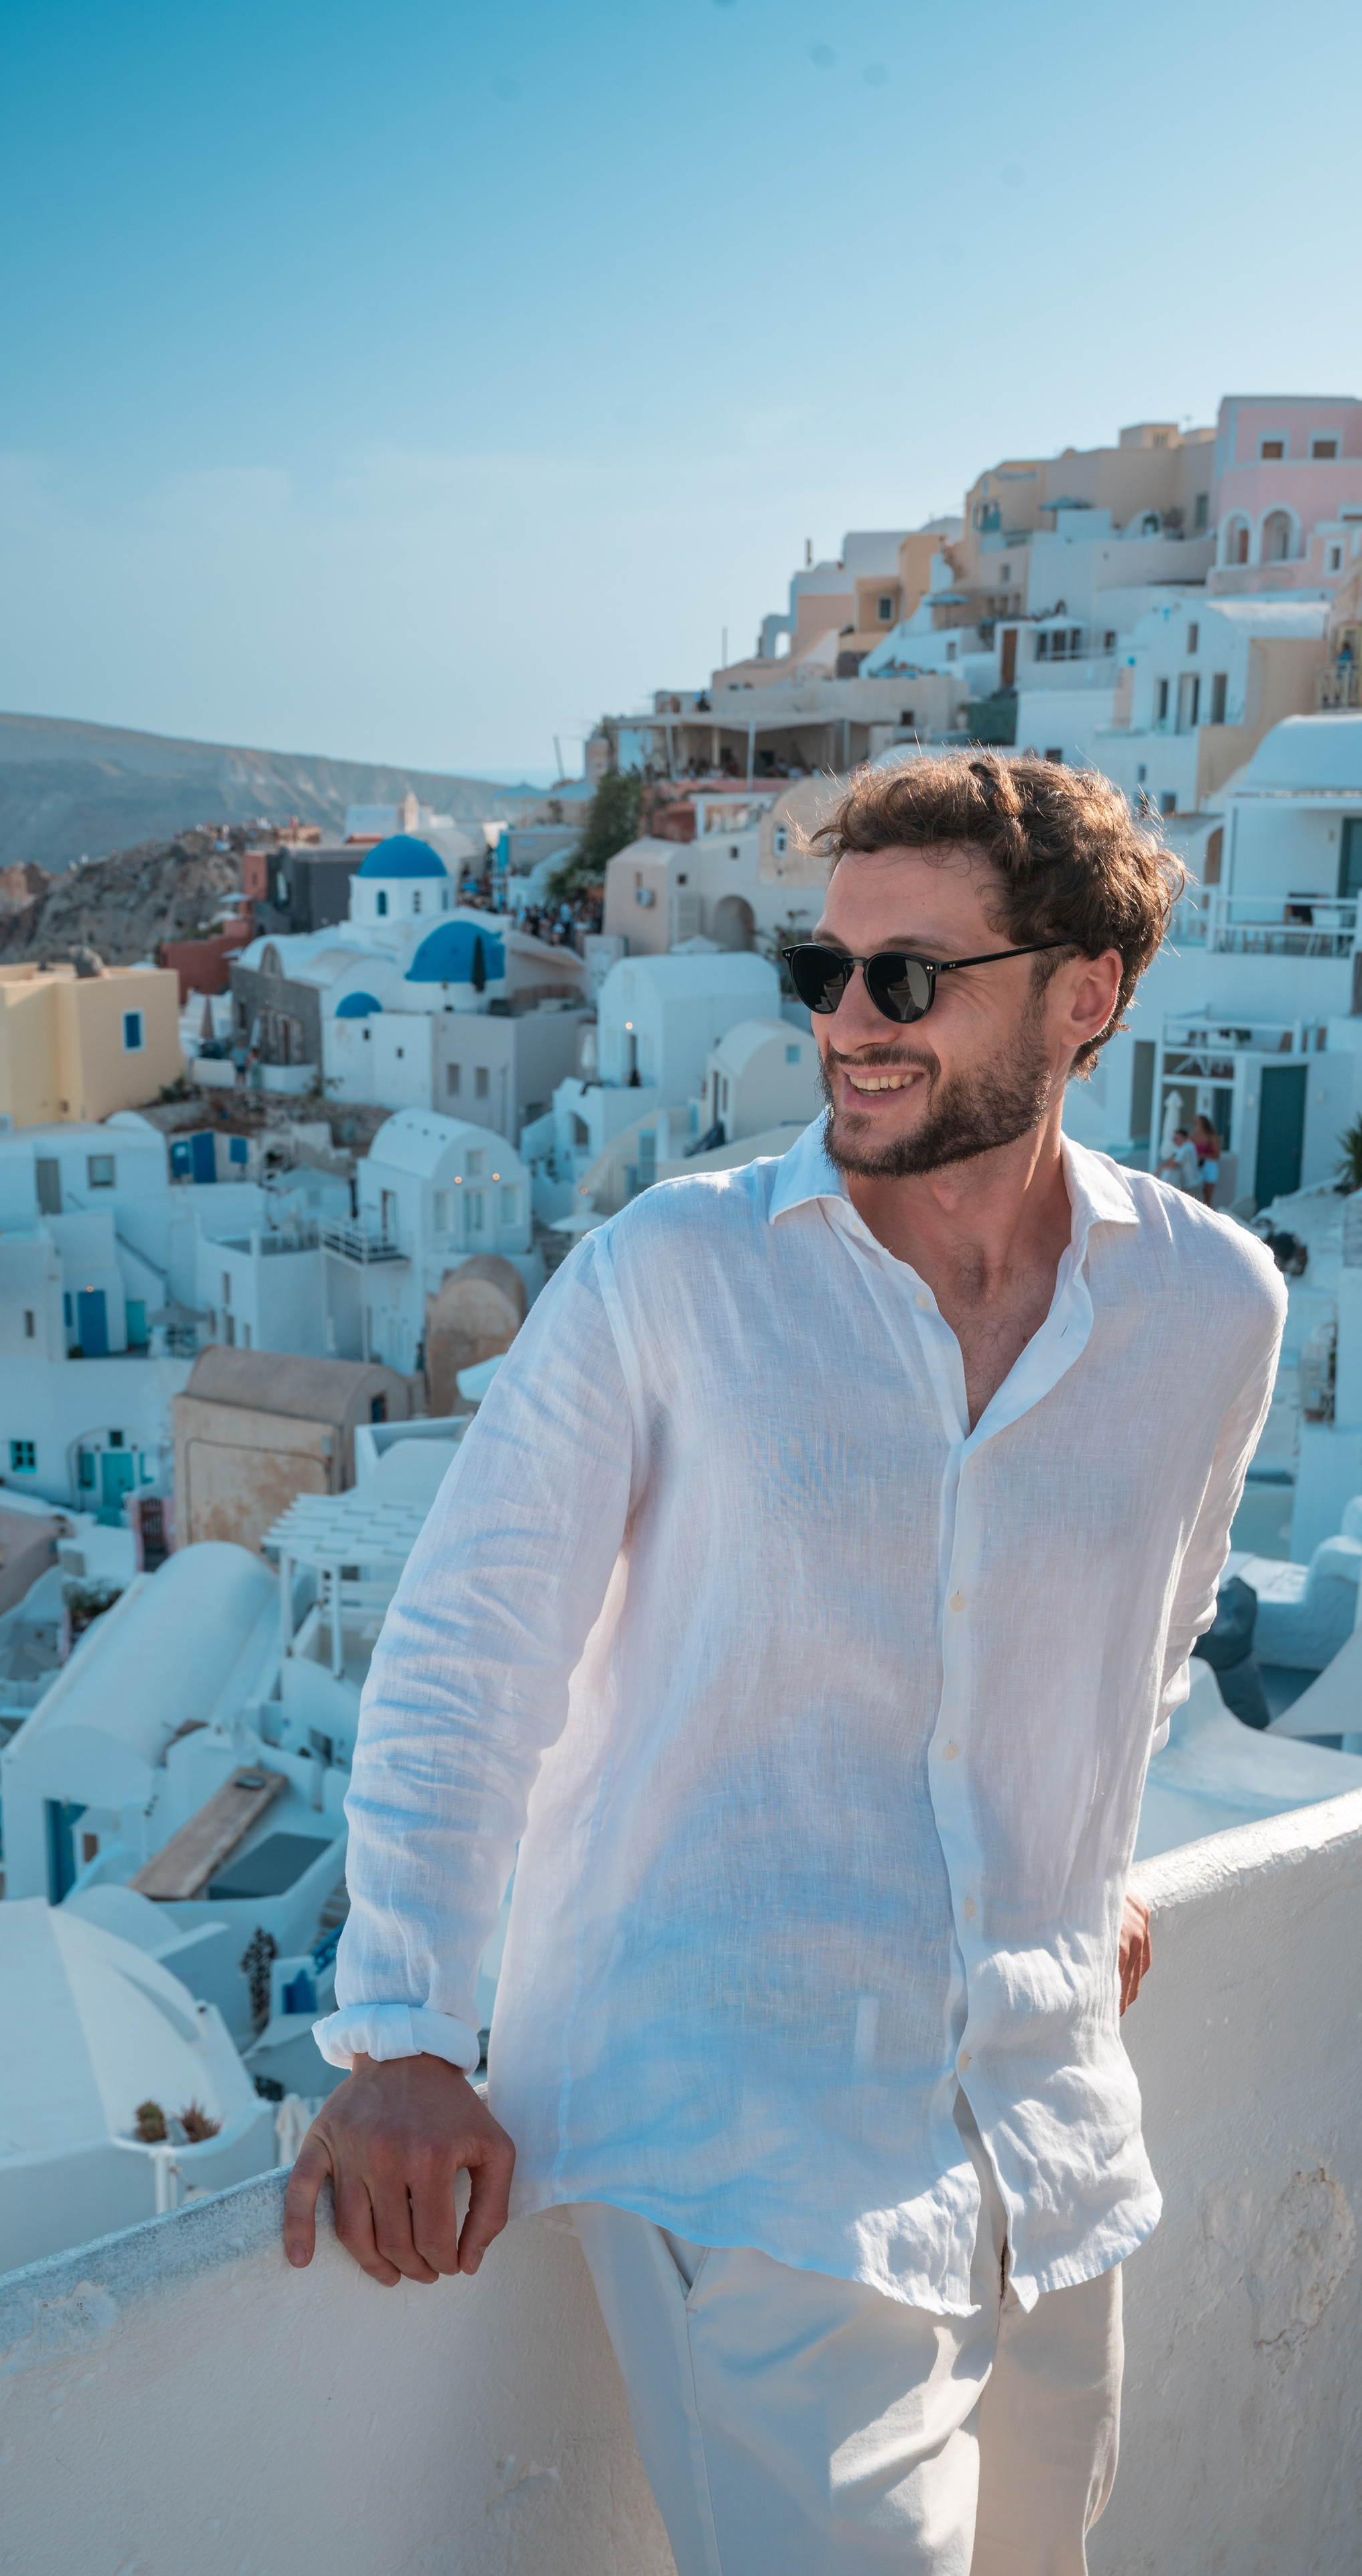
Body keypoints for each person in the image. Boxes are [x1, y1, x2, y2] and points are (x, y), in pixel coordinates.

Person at [284, 753, 1286, 2576]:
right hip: (744, 2136)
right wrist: (407, 2028)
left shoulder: (1210, 1305)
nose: (848, 1024)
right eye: (823, 973)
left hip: (1044, 2130)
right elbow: (466, 1649)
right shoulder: (670, 1274)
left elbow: (1148, 1630)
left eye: (906, 977)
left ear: (1083, 995)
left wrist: (1089, 1861)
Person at [1157, 1123, 1200, 1194]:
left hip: (1192, 1182)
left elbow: (1176, 1164)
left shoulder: (1188, 1148)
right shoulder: (1179, 1147)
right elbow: (1171, 1159)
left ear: (1183, 1138)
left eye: (1175, 1139)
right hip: (1185, 1183)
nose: (1174, 1141)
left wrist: (1160, 1168)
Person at [1192, 1114, 1221, 1207]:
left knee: (1208, 1195)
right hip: (1197, 1166)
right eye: (1195, 1123)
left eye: (1198, 1123)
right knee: (1196, 1195)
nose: (1196, 1125)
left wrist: (1204, 1156)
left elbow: (1217, 1156)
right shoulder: (1193, 1137)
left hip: (1210, 1166)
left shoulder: (1212, 1137)